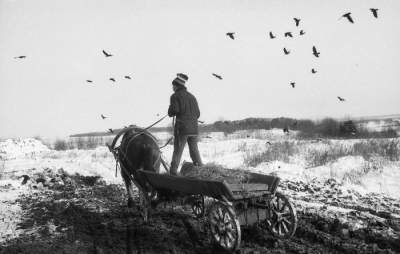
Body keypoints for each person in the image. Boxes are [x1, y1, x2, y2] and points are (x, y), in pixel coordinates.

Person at [168, 73, 203, 175]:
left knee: (177, 151)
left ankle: (173, 173)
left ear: (177, 85)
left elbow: (174, 110)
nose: (172, 87)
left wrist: (170, 111)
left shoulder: (174, 96)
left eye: (173, 86)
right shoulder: (192, 97)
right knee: (194, 152)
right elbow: (198, 114)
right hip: (194, 130)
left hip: (182, 129)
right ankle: (201, 171)